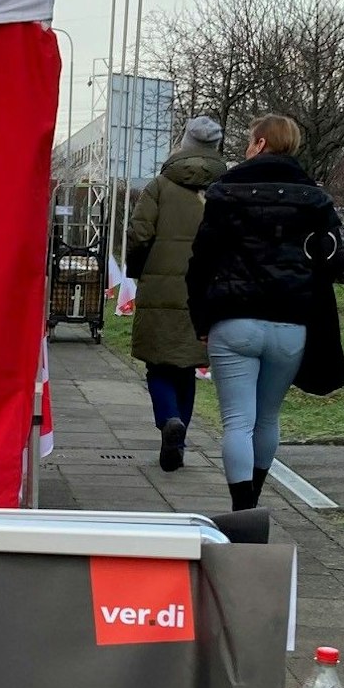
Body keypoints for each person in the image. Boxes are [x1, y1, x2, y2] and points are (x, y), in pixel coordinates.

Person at [186, 113, 344, 511]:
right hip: (290, 322)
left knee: (237, 421)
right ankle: (255, 499)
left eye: (249, 140)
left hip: (233, 319)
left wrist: (201, 319)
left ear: (259, 144)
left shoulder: (224, 193)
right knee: (267, 417)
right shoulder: (315, 198)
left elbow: (200, 262)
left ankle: (242, 510)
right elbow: (334, 262)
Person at [126, 116, 228, 473]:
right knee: (186, 365)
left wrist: (139, 271)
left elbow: (139, 234)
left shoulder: (159, 186)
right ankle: (179, 441)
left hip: (160, 285)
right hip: (206, 290)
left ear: (184, 143)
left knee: (158, 365)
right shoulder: (224, 189)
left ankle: (169, 419)